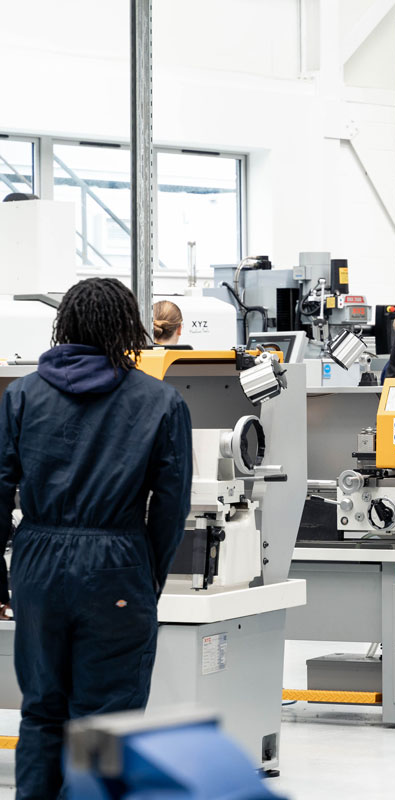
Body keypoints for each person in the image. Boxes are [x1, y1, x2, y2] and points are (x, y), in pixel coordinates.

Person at [0, 278, 192, 798]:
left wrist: (3, 576)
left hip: (36, 561)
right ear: (126, 327)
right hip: (116, 564)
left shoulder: (20, 396)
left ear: (66, 325)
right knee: (106, 716)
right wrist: (148, 571)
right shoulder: (160, 402)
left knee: (41, 709)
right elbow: (171, 506)